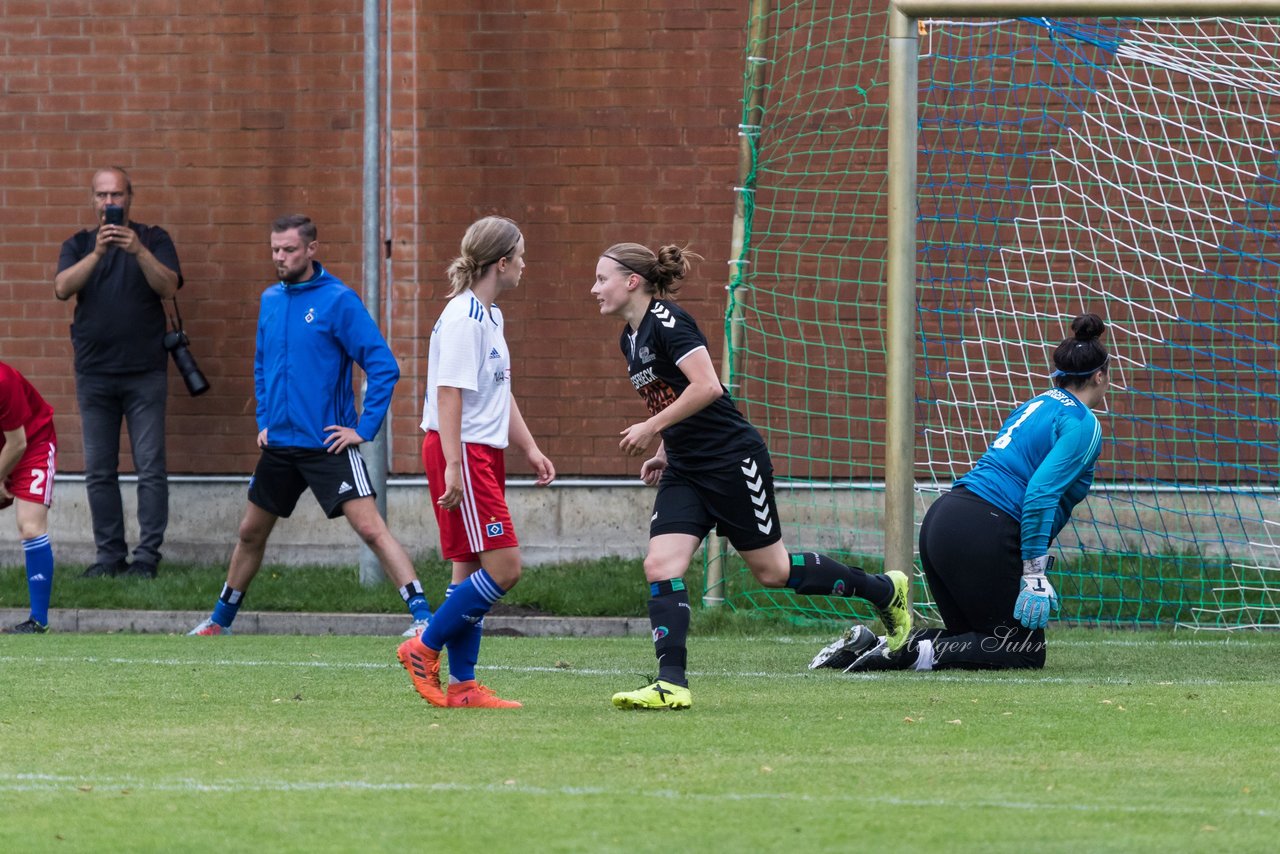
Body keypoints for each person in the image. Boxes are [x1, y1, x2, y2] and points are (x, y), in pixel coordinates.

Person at [591, 242, 912, 711]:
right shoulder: (630, 337)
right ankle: (671, 684)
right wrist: (664, 449)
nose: (595, 288)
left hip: (731, 462)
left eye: (602, 278)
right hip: (685, 468)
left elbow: (707, 387)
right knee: (661, 565)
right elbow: (670, 397)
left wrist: (651, 428)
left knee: (773, 571)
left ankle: (886, 590)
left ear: (632, 281)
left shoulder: (667, 322)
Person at [810, 313, 1109, 673]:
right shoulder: (1083, 424)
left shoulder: (1039, 403)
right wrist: (1033, 571)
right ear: (1099, 375)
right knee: (1023, 651)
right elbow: (1041, 494)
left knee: (973, 636)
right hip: (985, 529)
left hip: (945, 518)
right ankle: (898, 655)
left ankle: (871, 644)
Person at [187, 214, 433, 637]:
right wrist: (265, 420)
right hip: (279, 445)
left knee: (371, 528)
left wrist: (363, 428)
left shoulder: (338, 300)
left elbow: (383, 366)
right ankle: (219, 622)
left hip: (328, 446)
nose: (280, 258)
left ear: (311, 249)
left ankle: (425, 618)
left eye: (289, 250)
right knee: (249, 532)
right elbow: (262, 366)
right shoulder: (271, 300)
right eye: (275, 250)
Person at [397, 215, 555, 710]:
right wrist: (452, 465)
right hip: (461, 451)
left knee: (467, 575)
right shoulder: (464, 318)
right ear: (501, 262)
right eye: (522, 256)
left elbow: (498, 395)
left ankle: (464, 687)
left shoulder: (490, 317)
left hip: (479, 450)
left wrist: (528, 448)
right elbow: (449, 395)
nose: (525, 266)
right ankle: (422, 648)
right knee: (505, 568)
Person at [54, 166, 181, 580]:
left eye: (117, 195)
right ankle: (109, 556)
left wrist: (138, 251)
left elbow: (169, 287)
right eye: (102, 196)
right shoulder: (78, 244)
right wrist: (98, 254)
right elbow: (61, 288)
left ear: (131, 197)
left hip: (145, 372)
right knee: (99, 471)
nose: (109, 203)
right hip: (94, 374)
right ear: (92, 200)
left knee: (150, 467)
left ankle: (146, 558)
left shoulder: (154, 239)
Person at [0, 362, 58, 634]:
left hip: (32, 443)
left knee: (30, 525)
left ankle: (38, 620)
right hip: (6, 448)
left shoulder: (2, 381)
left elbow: (18, 443)